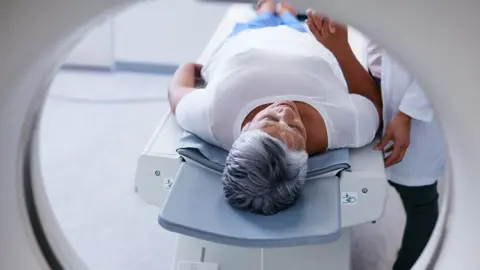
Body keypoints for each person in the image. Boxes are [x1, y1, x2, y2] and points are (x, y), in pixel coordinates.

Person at [167, 1, 382, 215]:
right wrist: (340, 48)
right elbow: (373, 103)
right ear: (305, 156)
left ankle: (268, 7)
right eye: (297, 129)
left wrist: (194, 68)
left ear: (245, 129)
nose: (286, 112)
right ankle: (284, 11)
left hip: (246, 39)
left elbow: (176, 91)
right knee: (289, 16)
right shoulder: (345, 127)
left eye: (269, 120)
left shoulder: (213, 118)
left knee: (262, 16)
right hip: (306, 40)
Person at [306, 9, 445, 270]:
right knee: (373, 176)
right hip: (377, 78)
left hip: (411, 97)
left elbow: (443, 55)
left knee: (420, 201)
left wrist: (405, 115)